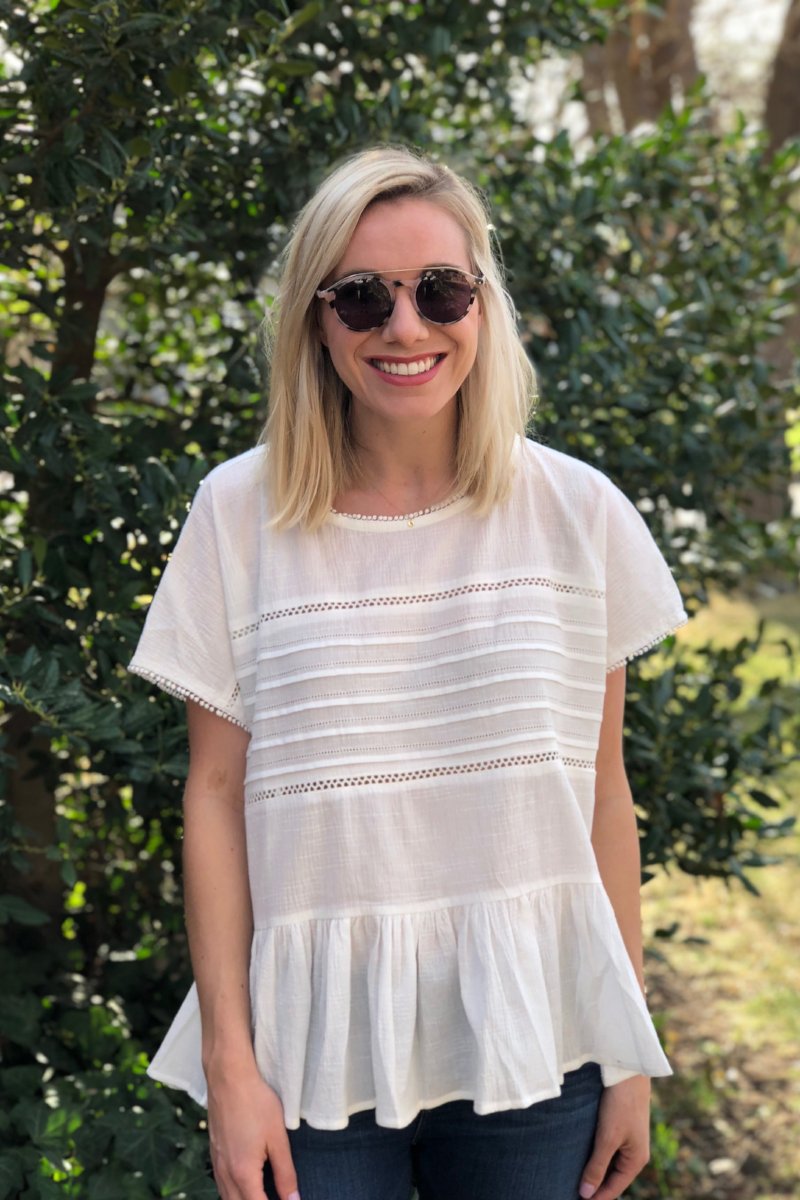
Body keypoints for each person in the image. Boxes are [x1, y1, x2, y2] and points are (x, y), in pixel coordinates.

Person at [129, 145, 687, 1200]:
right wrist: (230, 1066)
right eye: (361, 297)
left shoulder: (577, 514)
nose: (404, 327)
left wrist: (628, 1056)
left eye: (439, 290)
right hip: (309, 1054)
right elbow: (213, 795)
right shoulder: (236, 517)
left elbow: (603, 794)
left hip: (539, 1043)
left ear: (481, 304)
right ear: (314, 319)